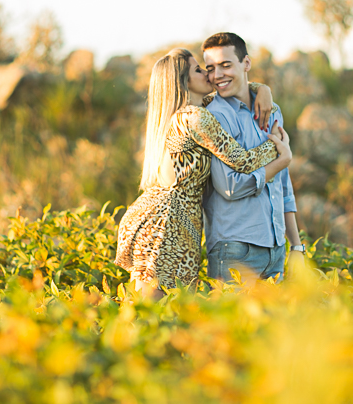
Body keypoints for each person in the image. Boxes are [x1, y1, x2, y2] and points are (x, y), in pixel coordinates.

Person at [114, 48, 293, 296]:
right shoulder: (194, 117)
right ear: (183, 81)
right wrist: (278, 147)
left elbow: (235, 89)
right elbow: (241, 161)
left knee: (167, 314)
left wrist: (262, 89)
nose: (210, 75)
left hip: (176, 220)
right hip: (165, 223)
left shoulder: (197, 110)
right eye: (200, 70)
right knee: (150, 313)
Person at [202, 32, 304, 283]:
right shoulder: (214, 117)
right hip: (235, 248)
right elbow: (229, 187)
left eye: (226, 65)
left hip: (276, 249)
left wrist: (296, 246)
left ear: (246, 64)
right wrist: (281, 161)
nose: (218, 75)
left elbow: (283, 185)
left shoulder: (272, 110)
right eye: (211, 68)